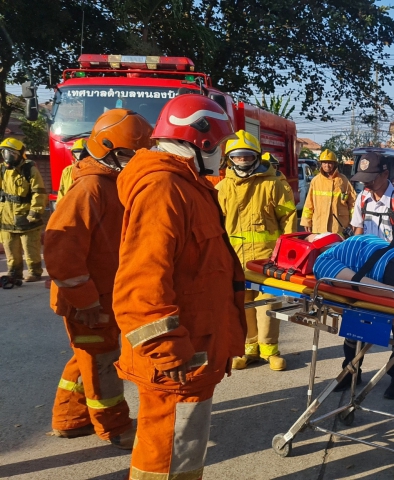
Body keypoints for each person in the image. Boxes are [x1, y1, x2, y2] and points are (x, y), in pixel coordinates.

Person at [112, 94, 247, 479]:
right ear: (199, 140)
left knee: (182, 454)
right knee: (167, 458)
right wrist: (169, 351)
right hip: (178, 360)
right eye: (220, 146)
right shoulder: (164, 189)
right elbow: (140, 286)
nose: (223, 157)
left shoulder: (188, 186)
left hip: (193, 352)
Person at [44, 109, 153, 449]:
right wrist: (86, 300)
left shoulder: (112, 183)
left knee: (86, 357)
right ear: (106, 149)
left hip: (104, 294)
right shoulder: (91, 187)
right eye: (129, 154)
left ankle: (69, 419)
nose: (134, 161)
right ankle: (115, 426)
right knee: (101, 360)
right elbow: (61, 251)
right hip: (88, 301)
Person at [218, 131, 296, 371]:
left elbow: (288, 219)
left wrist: (287, 257)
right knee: (242, 305)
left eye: (247, 156)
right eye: (237, 157)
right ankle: (248, 350)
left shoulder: (273, 184)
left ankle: (270, 351)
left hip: (267, 259)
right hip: (235, 259)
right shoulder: (222, 188)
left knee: (268, 304)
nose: (242, 161)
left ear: (257, 157)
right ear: (229, 159)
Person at [313, 234, 394, 399]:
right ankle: (356, 371)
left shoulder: (322, 261)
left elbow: (356, 282)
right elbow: (355, 280)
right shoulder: (355, 241)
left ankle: (358, 372)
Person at [0, 138, 47, 282]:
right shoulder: (2, 170)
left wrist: (35, 212)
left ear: (19, 155)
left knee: (30, 247)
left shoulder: (29, 169)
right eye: (5, 153)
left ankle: (34, 272)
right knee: (10, 247)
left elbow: (39, 192)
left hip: (26, 216)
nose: (7, 157)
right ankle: (14, 273)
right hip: (7, 216)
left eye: (11, 154)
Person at [351, 152, 394, 247]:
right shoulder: (362, 198)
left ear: (385, 174)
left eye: (370, 179)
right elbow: (358, 228)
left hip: (391, 255)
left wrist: (382, 251)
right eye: (363, 180)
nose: (366, 183)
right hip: (367, 254)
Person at [300, 149, 356, 235]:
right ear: (321, 164)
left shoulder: (343, 181)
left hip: (338, 226)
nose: (327, 165)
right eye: (324, 162)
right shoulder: (315, 181)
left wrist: (354, 222)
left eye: (330, 163)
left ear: (334, 164)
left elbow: (353, 203)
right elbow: (309, 204)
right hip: (319, 226)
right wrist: (306, 221)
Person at [263, 152, 298, 233]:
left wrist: (288, 236)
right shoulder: (254, 183)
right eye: (267, 166)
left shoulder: (284, 185)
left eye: (273, 166)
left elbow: (288, 213)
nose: (271, 169)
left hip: (274, 230)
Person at [56, 138, 87, 203]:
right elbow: (61, 191)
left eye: (81, 152)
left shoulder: (91, 170)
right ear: (73, 154)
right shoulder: (67, 170)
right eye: (76, 153)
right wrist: (60, 206)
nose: (79, 155)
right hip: (69, 205)